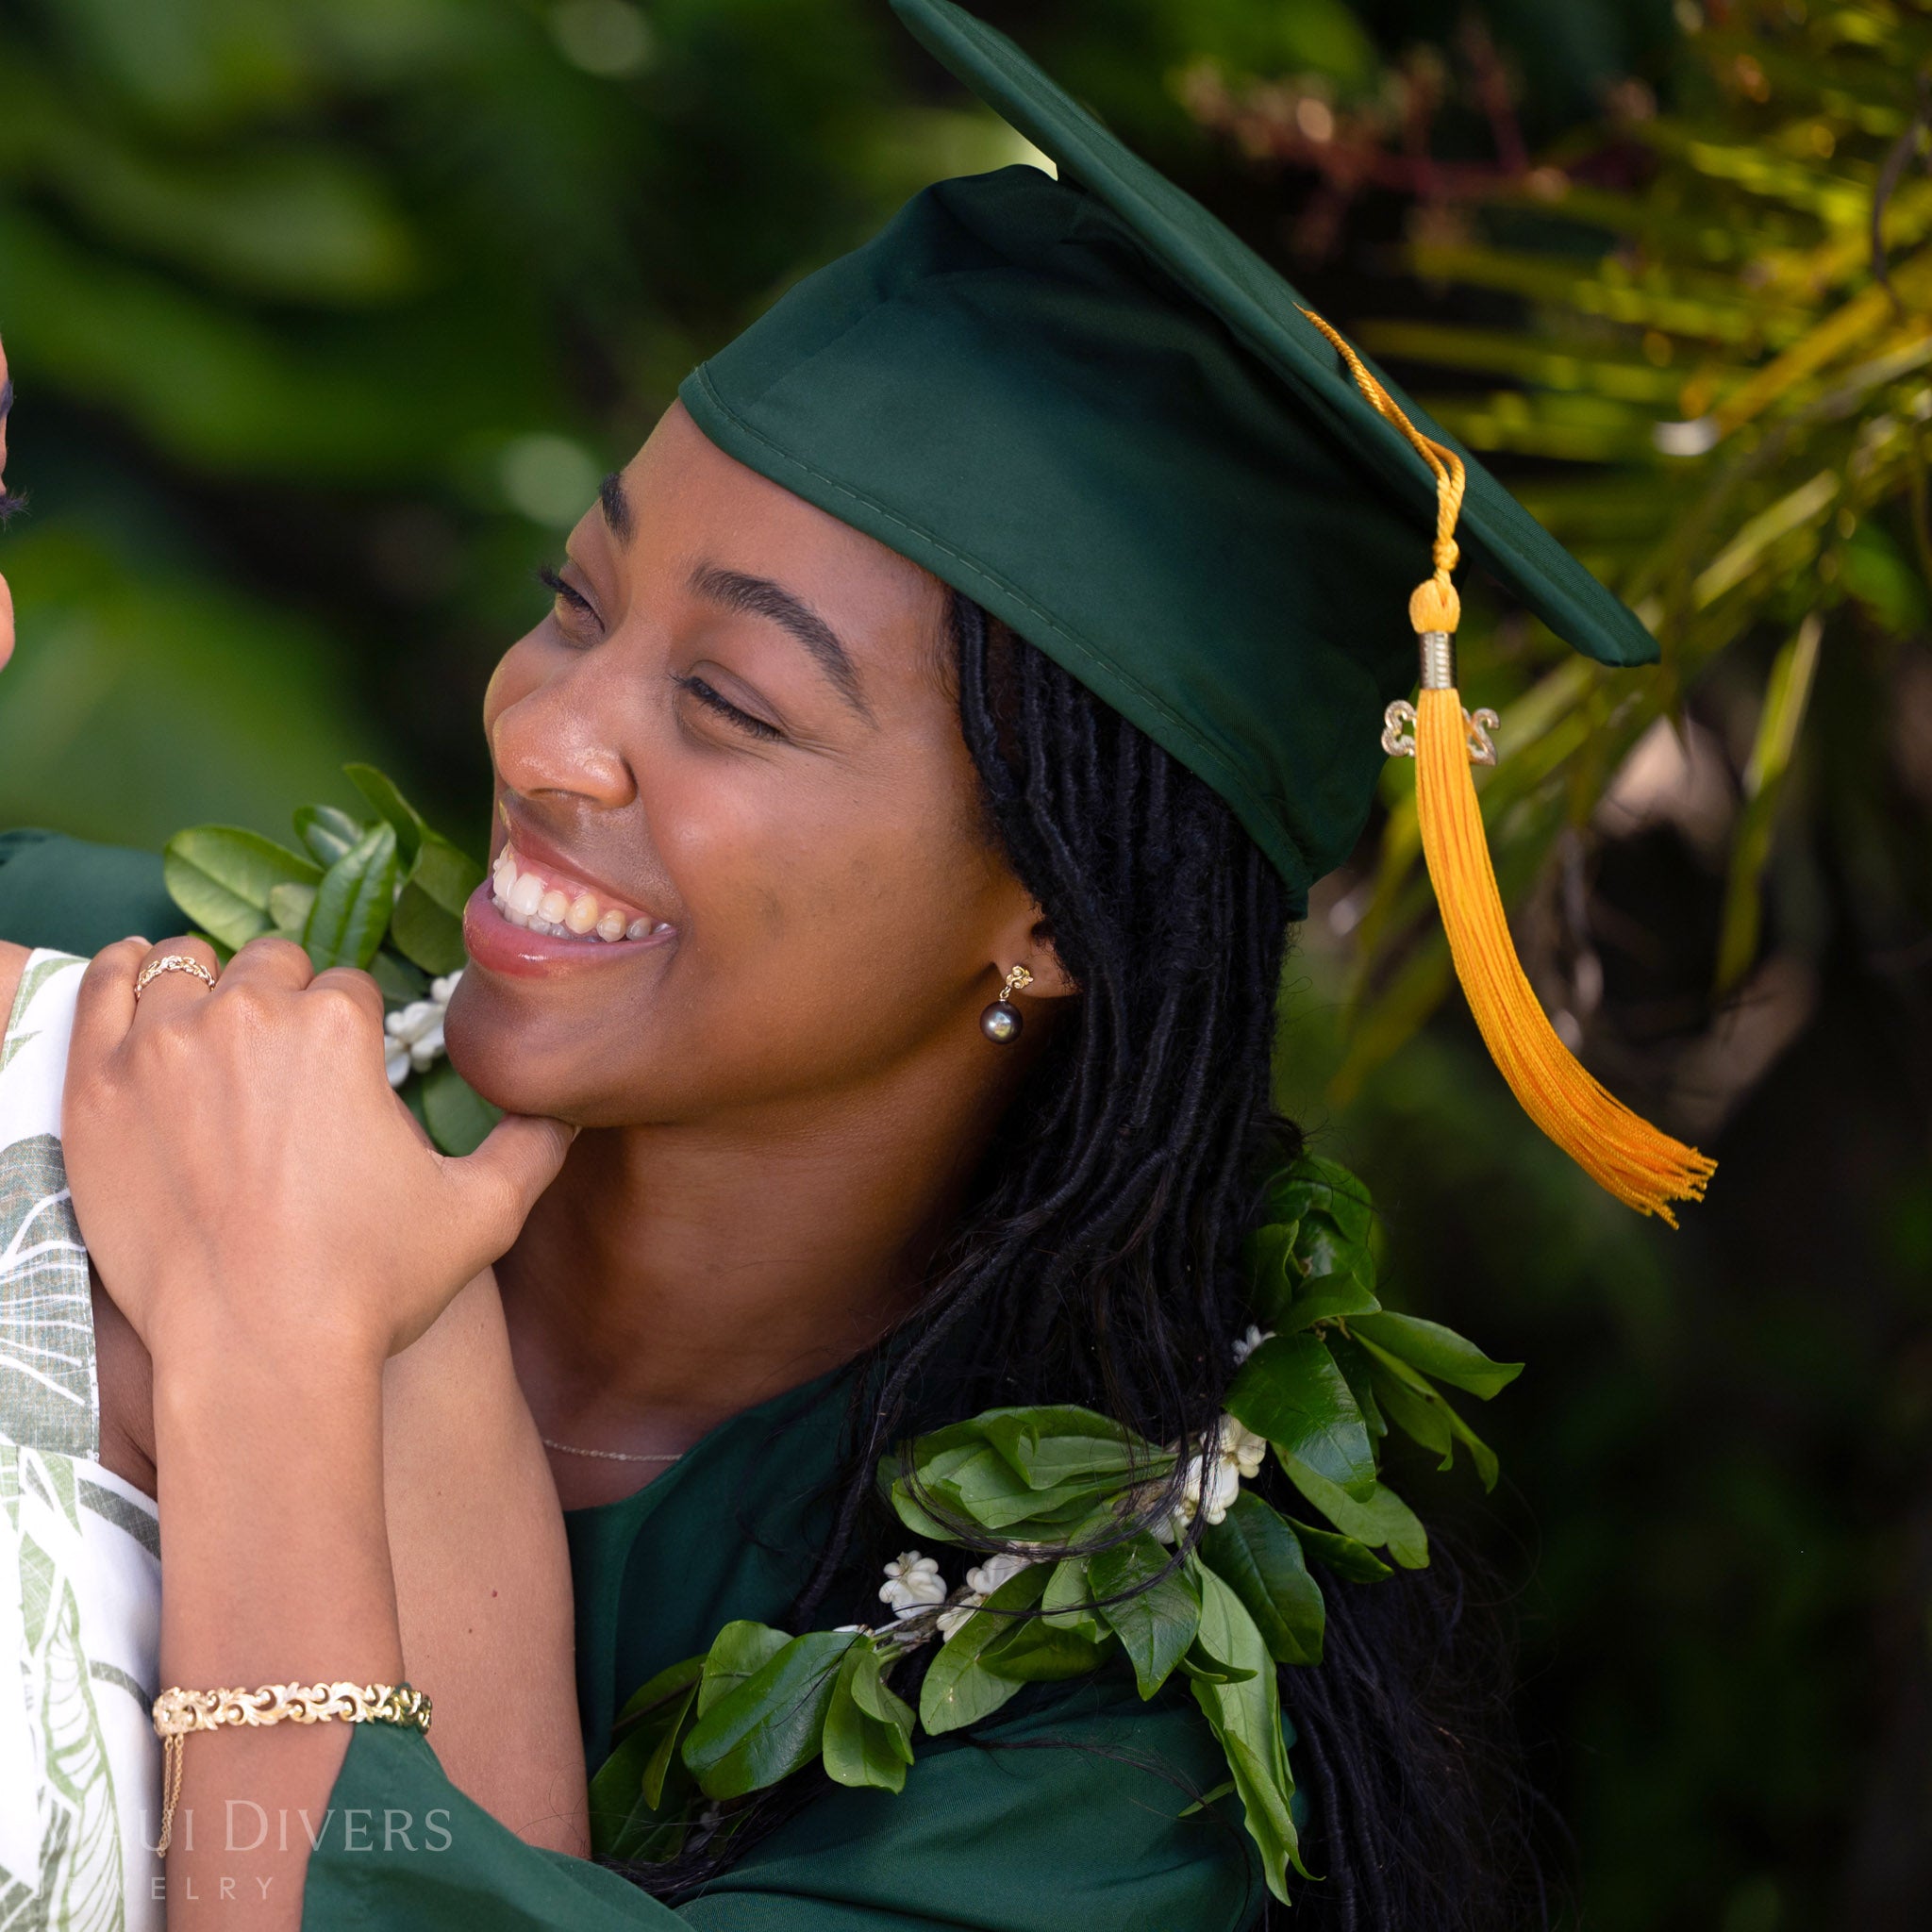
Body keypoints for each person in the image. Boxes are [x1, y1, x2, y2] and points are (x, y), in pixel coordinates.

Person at [0, 4, 1713, 1926]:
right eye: (576, 597)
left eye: (727, 700)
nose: (545, 729)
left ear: (1049, 914)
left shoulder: (1096, 1746)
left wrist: (266, 1362)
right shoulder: (152, 1021)